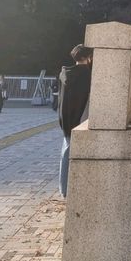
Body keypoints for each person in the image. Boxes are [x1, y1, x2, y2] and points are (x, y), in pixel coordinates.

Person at [58, 44, 93, 197]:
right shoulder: (87, 75)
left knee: (65, 152)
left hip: (65, 119)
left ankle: (64, 189)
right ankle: (69, 190)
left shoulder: (64, 73)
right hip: (80, 118)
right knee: (73, 154)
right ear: (88, 58)